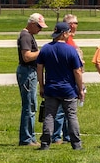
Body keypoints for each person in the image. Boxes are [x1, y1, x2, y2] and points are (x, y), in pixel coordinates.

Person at [36, 21, 85, 150]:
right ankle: (76, 144)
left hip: (51, 88)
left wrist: (41, 86)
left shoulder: (46, 48)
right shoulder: (71, 50)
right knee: (71, 116)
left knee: (49, 115)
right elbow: (77, 71)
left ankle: (45, 143)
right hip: (68, 89)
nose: (69, 34)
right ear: (63, 34)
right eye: (68, 32)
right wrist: (80, 89)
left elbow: (39, 68)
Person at [16, 12, 45, 146]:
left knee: (32, 105)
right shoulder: (26, 36)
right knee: (28, 106)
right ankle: (26, 139)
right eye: (39, 27)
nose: (40, 29)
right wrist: (43, 51)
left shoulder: (29, 35)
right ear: (32, 24)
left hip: (30, 72)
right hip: (27, 72)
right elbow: (27, 56)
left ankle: (31, 137)